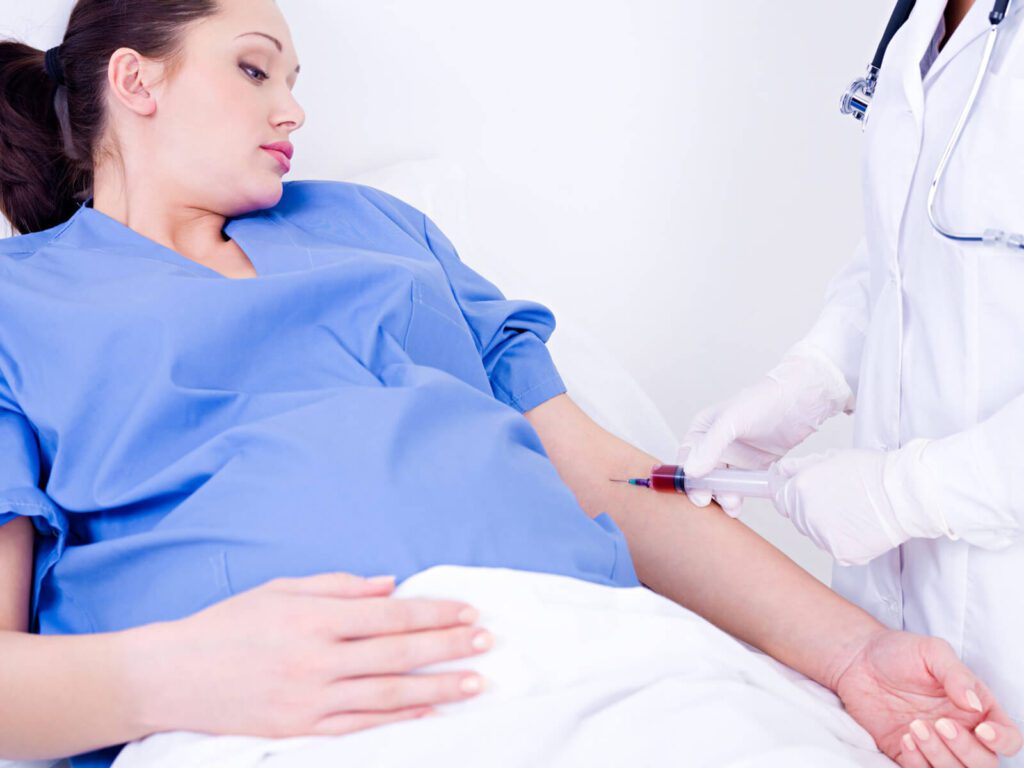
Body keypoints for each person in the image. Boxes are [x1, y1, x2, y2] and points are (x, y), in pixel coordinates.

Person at [0, 1, 1019, 767]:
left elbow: (606, 477)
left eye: (294, 77)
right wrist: (175, 675)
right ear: (137, 82)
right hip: (274, 717)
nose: (294, 108)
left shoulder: (377, 229)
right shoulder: (21, 305)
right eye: (255, 70)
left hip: (609, 664)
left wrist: (852, 657)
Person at [680, 0, 1024, 764]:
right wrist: (814, 373)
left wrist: (911, 494)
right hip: (892, 652)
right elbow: (907, 257)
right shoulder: (925, 22)